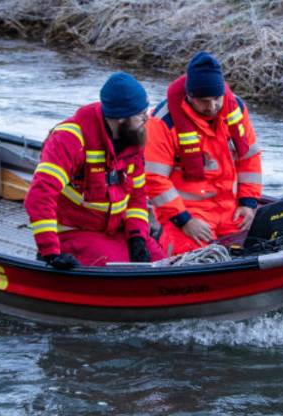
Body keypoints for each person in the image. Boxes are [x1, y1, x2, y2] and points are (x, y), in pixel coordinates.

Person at [24, 72, 164, 269]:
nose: (146, 118)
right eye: (140, 114)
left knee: (160, 260)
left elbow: (137, 198)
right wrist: (51, 252)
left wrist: (137, 237)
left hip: (114, 228)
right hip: (74, 230)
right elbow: (39, 196)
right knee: (117, 270)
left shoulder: (132, 139)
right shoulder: (70, 139)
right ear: (121, 118)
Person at [144, 52, 263, 255]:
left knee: (258, 246)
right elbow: (154, 179)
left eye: (217, 99)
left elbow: (249, 159)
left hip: (231, 209)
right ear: (189, 97)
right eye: (204, 101)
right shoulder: (162, 122)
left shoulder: (236, 110)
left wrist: (248, 203)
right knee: (190, 257)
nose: (212, 107)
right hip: (186, 213)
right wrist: (184, 220)